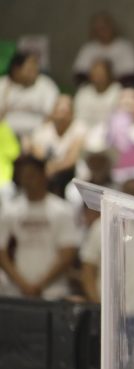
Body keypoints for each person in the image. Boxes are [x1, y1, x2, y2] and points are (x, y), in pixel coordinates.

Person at [0, 156, 80, 300]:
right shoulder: (9, 211)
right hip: (15, 292)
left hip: (53, 292)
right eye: (23, 176)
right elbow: (2, 252)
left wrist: (40, 284)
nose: (27, 180)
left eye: (31, 175)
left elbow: (68, 252)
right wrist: (23, 284)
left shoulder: (62, 210)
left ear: (43, 175)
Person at [0, 52, 59, 137]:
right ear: (16, 70)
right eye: (30, 69)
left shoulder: (45, 85)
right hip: (6, 135)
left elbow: (53, 115)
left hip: (39, 134)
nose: (35, 71)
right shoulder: (3, 85)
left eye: (36, 68)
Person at [72, 12, 134, 86]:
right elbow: (80, 75)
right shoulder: (88, 48)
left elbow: (132, 76)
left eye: (104, 27)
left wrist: (109, 82)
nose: (102, 31)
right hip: (94, 90)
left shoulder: (125, 47)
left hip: (119, 89)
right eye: (98, 29)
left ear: (112, 27)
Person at [73, 59, 122, 128]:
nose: (98, 77)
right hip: (86, 131)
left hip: (110, 131)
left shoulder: (118, 91)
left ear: (109, 74)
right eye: (95, 73)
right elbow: (79, 118)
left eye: (101, 73)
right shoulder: (83, 92)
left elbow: (120, 118)